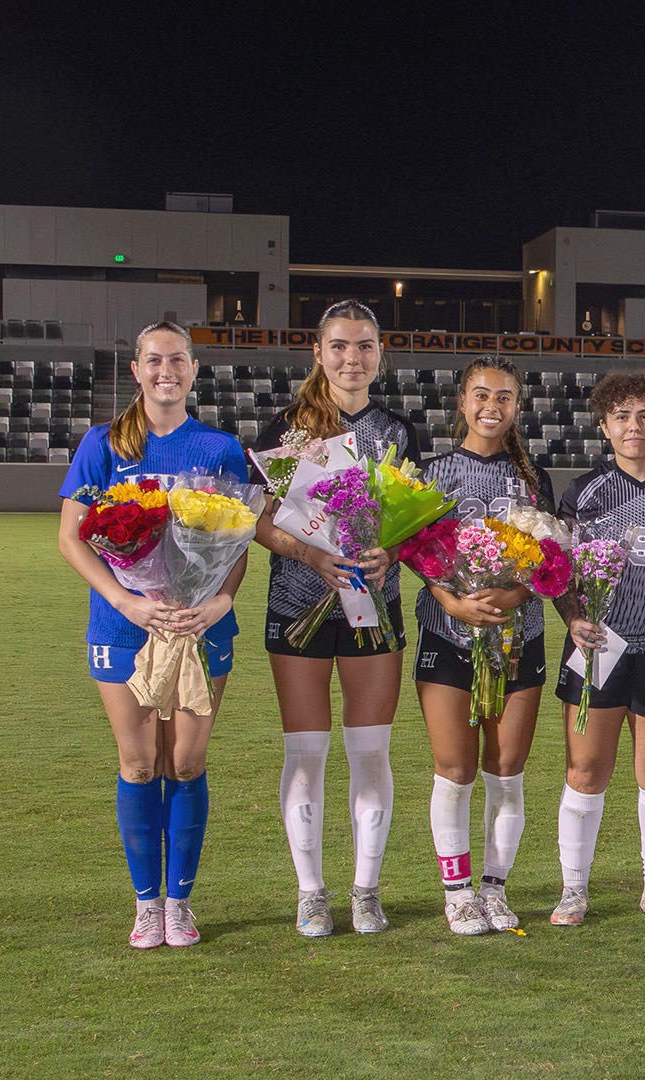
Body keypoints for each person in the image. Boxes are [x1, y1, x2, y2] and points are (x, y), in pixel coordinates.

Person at [56, 320, 250, 949]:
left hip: (199, 628)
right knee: (140, 764)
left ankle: (180, 903)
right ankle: (146, 904)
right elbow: (71, 539)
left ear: (193, 370)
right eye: (154, 360)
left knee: (185, 762)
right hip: (123, 627)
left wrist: (219, 601)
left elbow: (237, 544)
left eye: (178, 360)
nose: (167, 371)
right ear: (136, 369)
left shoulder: (220, 447)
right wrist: (125, 601)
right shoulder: (104, 443)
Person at [251, 300, 418, 937]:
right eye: (340, 346)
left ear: (381, 354)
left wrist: (390, 551)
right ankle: (311, 891)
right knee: (306, 752)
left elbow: (414, 520)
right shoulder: (287, 429)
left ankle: (366, 890)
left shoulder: (398, 430)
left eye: (365, 346)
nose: (353, 358)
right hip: (300, 604)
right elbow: (260, 521)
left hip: (375, 605)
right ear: (317, 353)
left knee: (370, 750)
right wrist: (312, 556)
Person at [549, 371, 645, 927]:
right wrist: (573, 619)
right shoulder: (584, 491)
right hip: (601, 646)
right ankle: (573, 891)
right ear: (604, 426)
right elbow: (557, 570)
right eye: (621, 417)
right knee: (584, 772)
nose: (634, 426)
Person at [412, 355, 555, 936]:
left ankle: (494, 889)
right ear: (462, 403)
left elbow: (551, 558)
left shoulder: (533, 479)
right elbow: (415, 550)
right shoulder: (435, 473)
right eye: (481, 395)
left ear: (517, 407)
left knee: (507, 769)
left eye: (504, 397)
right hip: (447, 634)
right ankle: (458, 893)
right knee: (454, 768)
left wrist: (516, 594)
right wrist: (453, 603)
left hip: (520, 638)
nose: (491, 406)